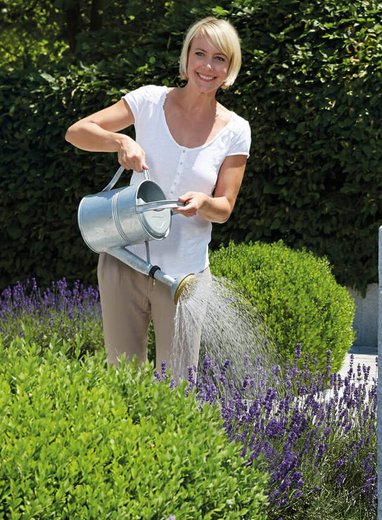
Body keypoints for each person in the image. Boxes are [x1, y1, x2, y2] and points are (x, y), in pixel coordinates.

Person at [65, 17, 250, 374]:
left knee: (178, 386)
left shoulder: (237, 131)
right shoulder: (148, 101)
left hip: (183, 275)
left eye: (219, 58)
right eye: (200, 54)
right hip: (123, 259)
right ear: (186, 58)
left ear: (230, 68)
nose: (207, 66)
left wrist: (203, 204)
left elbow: (224, 208)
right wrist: (120, 140)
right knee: (123, 380)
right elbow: (77, 132)